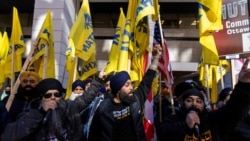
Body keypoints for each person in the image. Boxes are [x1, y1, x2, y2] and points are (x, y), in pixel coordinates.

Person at [158, 57, 250, 141]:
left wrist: (243, 84)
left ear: (204, 104)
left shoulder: (214, 119)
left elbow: (236, 109)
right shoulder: (173, 120)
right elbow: (163, 133)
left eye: (199, 101)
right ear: (183, 103)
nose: (194, 104)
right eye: (189, 100)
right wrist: (185, 125)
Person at [1, 71, 106, 141]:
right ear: (41, 98)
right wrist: (40, 112)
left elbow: (86, 98)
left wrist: (98, 80)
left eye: (56, 94)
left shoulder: (69, 107)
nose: (52, 98)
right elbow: (11, 134)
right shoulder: (31, 112)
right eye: (48, 95)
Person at [88, 44, 162, 141]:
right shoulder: (104, 108)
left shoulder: (135, 99)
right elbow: (93, 134)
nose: (131, 87)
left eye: (131, 84)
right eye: (127, 85)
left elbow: (147, 81)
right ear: (117, 90)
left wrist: (156, 57)